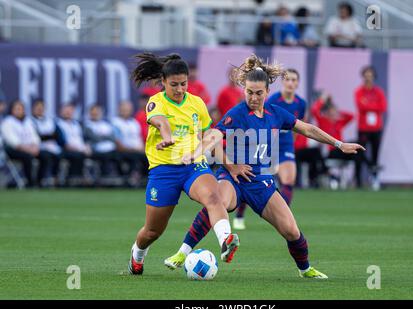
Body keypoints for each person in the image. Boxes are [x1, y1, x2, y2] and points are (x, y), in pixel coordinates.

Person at [164, 54, 365, 278]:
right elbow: (213, 135)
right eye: (249, 92)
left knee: (291, 230)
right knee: (217, 202)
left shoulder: (276, 114)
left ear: (267, 92)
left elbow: (307, 128)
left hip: (261, 182)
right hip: (234, 179)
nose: (253, 97)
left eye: (259, 93)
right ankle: (183, 253)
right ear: (244, 90)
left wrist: (339, 144)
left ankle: (305, 269)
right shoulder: (237, 113)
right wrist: (197, 153)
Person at [127, 52, 240, 275]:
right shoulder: (156, 102)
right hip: (163, 171)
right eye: (174, 85)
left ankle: (226, 240)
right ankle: (137, 254)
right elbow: (160, 122)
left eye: (184, 84)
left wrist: (229, 164)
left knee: (213, 196)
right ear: (163, 82)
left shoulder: (197, 103)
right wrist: (167, 135)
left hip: (193, 166)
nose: (180, 90)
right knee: (152, 231)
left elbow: (210, 136)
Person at [234, 68, 307, 230]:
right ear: (282, 82)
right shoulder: (273, 100)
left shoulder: (301, 103)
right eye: (287, 79)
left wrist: (291, 141)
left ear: (297, 83)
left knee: (288, 180)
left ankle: (283, 218)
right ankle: (239, 215)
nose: (290, 83)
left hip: (286, 144)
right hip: (267, 144)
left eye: (294, 80)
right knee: (252, 179)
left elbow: (300, 125)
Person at [311, 92, 355, 188]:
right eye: (331, 111)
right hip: (333, 151)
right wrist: (322, 100)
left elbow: (351, 116)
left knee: (357, 149)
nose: (333, 113)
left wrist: (339, 113)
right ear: (327, 112)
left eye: (334, 111)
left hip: (342, 150)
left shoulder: (339, 122)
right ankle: (331, 176)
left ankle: (356, 179)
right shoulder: (323, 121)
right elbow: (314, 111)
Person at [354, 66, 387, 190]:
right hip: (363, 128)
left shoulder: (378, 92)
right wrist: (373, 106)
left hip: (376, 128)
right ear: (363, 77)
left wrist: (369, 105)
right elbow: (360, 106)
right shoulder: (359, 91)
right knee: (359, 154)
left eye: (370, 75)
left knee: (375, 155)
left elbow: (382, 107)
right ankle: (358, 181)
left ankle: (374, 179)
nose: (368, 78)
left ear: (373, 77)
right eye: (366, 75)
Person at [0, 100, 40, 187]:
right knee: (28, 157)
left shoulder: (28, 122)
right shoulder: (7, 122)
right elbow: (12, 141)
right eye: (17, 109)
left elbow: (35, 136)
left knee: (45, 155)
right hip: (13, 150)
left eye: (21, 109)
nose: (20, 111)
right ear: (12, 110)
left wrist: (35, 146)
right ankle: (30, 183)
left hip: (30, 149)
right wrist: (28, 149)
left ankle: (42, 181)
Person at [112, 101, 148, 187]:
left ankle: (144, 180)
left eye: (127, 109)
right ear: (119, 110)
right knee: (133, 157)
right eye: (123, 109)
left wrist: (142, 149)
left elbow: (139, 138)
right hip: (124, 150)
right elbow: (117, 141)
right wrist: (131, 149)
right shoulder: (116, 122)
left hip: (137, 150)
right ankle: (129, 180)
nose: (125, 111)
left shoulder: (134, 123)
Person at [31, 99, 65, 187]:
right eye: (37, 108)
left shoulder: (50, 121)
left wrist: (47, 136)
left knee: (58, 155)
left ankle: (55, 179)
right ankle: (40, 180)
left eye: (41, 108)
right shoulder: (30, 121)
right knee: (46, 156)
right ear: (33, 108)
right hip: (37, 147)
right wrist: (49, 136)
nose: (40, 110)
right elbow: (36, 136)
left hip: (52, 147)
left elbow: (58, 135)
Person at [57, 103, 92, 185]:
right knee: (77, 155)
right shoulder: (58, 124)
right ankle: (73, 179)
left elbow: (83, 138)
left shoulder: (77, 124)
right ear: (61, 112)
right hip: (66, 150)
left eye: (70, 111)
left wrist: (87, 147)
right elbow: (62, 142)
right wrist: (79, 149)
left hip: (80, 149)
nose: (68, 113)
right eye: (66, 111)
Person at [84, 104, 119, 181]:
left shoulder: (106, 124)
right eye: (93, 112)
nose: (95, 114)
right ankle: (104, 178)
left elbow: (112, 137)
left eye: (97, 112)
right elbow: (94, 138)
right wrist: (105, 136)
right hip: (96, 148)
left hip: (110, 148)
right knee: (105, 157)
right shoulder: (87, 124)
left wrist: (102, 136)